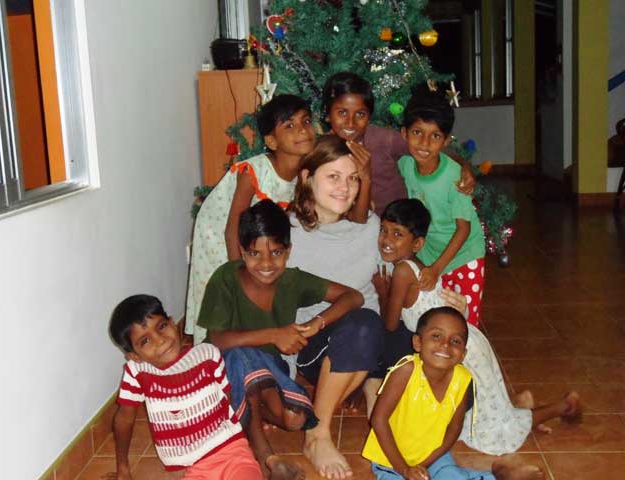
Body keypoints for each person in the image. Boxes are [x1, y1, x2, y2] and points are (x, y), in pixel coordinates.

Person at [371, 199, 581, 456]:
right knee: (486, 413)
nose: (386, 239)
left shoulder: (403, 272)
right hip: (461, 341)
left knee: (492, 428)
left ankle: (564, 407)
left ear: (417, 244)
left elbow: (391, 324)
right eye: (384, 230)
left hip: (458, 348)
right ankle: (522, 404)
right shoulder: (414, 266)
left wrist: (382, 292)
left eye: (397, 234)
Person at [197, 199, 364, 480]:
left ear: (288, 251)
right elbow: (218, 340)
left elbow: (353, 296)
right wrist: (274, 334)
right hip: (221, 369)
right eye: (255, 253)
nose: (266, 263)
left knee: (295, 419)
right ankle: (268, 458)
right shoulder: (225, 278)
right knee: (241, 357)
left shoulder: (291, 281)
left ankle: (249, 412)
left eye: (276, 252)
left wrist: (316, 323)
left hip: (269, 370)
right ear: (242, 251)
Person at [285, 135, 385, 479]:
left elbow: (399, 268)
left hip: (366, 340)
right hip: (313, 344)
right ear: (307, 178)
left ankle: (372, 396)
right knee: (363, 325)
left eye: (353, 178)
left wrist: (441, 292)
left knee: (385, 328)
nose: (345, 188)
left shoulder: (370, 227)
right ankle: (317, 432)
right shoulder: (288, 232)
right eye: (333, 176)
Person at [185, 94, 316, 341]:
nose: (302, 130)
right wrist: (239, 279)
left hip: (252, 236)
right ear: (271, 141)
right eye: (289, 125)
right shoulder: (253, 171)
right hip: (219, 234)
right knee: (221, 292)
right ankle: (210, 346)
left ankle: (254, 336)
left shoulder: (304, 174)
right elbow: (231, 228)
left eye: (306, 121)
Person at [362, 307, 547, 480]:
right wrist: (404, 469)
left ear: (463, 354)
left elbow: (454, 429)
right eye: (436, 336)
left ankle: (500, 473)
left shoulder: (463, 378)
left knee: (451, 476)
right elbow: (379, 420)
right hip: (391, 459)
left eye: (455, 341)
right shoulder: (406, 371)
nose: (445, 344)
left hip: (433, 455)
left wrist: (426, 462)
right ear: (418, 342)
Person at [109, 295, 262, 480]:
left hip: (230, 450)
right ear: (135, 356)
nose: (160, 340)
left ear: (173, 323)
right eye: (145, 341)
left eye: (161, 326)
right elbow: (124, 419)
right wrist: (123, 468)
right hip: (190, 467)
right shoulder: (137, 372)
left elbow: (226, 397)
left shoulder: (208, 355)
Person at [322, 72, 475, 215]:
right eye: (342, 112)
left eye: (360, 114)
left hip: (398, 222)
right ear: (328, 114)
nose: (350, 122)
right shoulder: (322, 149)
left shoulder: (383, 139)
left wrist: (464, 166)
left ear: (369, 116)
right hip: (352, 222)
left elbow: (429, 148)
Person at [398, 88, 486, 326]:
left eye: (435, 136)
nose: (424, 143)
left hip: (464, 257)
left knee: (463, 324)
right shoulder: (405, 165)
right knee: (435, 320)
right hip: (430, 257)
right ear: (404, 133)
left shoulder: (455, 178)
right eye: (417, 132)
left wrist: (436, 269)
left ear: (446, 141)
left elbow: (464, 229)